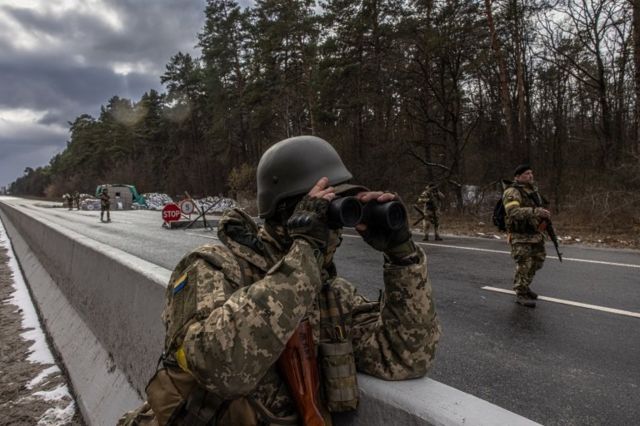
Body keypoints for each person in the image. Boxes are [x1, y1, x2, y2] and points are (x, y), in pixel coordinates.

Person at [119, 135, 440, 425]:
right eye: (329, 207)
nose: (336, 227)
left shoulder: (329, 294)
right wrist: (305, 253)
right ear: (289, 211)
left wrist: (402, 257)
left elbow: (403, 357)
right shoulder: (214, 268)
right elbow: (218, 365)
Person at [503, 164, 551, 308]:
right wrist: (536, 211)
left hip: (535, 234)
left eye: (531, 173)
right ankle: (520, 292)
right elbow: (513, 212)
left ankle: (525, 285)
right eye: (526, 174)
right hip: (520, 235)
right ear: (517, 177)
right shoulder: (512, 191)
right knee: (524, 264)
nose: (530, 176)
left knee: (538, 261)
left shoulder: (532, 190)